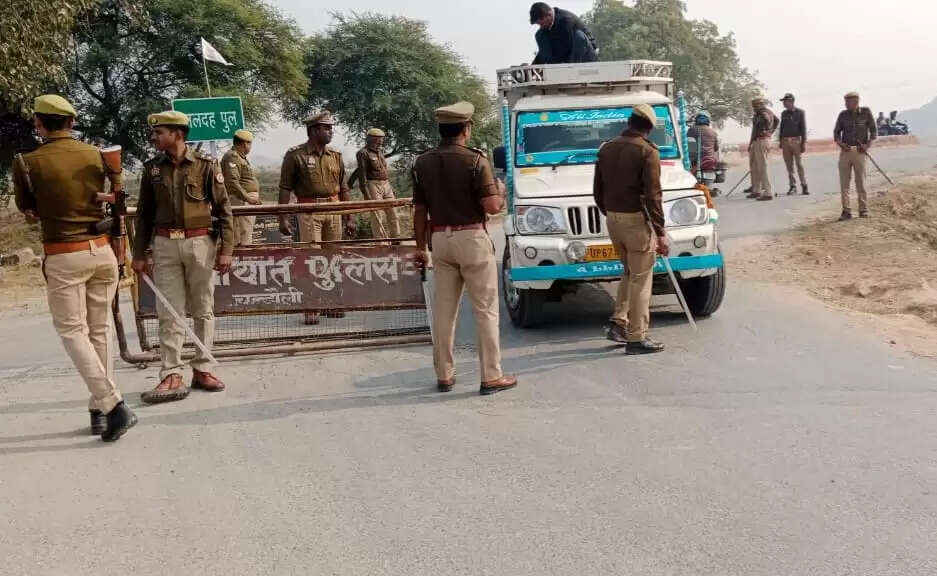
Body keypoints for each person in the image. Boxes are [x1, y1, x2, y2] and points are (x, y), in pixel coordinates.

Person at [12, 94, 136, 441]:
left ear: (38, 124)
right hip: (102, 250)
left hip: (64, 253)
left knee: (71, 331)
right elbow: (113, 195)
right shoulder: (97, 155)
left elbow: (28, 210)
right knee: (99, 330)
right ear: (71, 122)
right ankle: (100, 410)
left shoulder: (26, 163)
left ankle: (113, 405)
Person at [412, 101, 518, 396]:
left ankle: (444, 375)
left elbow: (419, 210)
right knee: (485, 309)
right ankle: (491, 376)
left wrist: (420, 247)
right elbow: (492, 206)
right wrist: (500, 191)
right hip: (471, 239)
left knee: (444, 311)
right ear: (466, 129)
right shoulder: (476, 161)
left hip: (439, 240)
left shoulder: (422, 163)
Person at [132, 110, 234, 404]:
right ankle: (171, 373)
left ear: (177, 134)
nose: (154, 137)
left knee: (203, 308)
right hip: (164, 245)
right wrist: (139, 253)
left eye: (159, 132)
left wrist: (227, 250)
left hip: (200, 243)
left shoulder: (206, 165)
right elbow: (144, 214)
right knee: (169, 311)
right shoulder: (152, 169)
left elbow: (224, 211)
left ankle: (203, 368)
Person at [593, 103, 669, 354]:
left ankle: (619, 323)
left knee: (629, 272)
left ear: (629, 122)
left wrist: (610, 212)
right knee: (641, 279)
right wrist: (660, 232)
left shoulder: (606, 148)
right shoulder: (647, 151)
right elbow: (653, 195)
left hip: (613, 219)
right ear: (649, 128)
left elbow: (597, 190)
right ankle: (637, 338)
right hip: (636, 221)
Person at [277, 111, 355, 324]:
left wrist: (349, 217)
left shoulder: (336, 156)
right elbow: (284, 188)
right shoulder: (295, 155)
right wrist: (282, 218)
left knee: (334, 257)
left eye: (331, 127)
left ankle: (333, 302)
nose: (331, 131)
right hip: (308, 211)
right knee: (311, 258)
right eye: (326, 128)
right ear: (313, 130)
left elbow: (344, 188)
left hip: (334, 209)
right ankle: (311, 305)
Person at [833, 92, 877, 220]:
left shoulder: (866, 112)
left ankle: (863, 210)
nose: (846, 104)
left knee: (861, 182)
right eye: (845, 102)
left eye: (848, 102)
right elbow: (836, 133)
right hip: (845, 152)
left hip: (860, 152)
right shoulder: (843, 115)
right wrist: (841, 144)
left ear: (856, 102)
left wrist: (867, 145)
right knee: (844, 183)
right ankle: (846, 211)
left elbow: (873, 131)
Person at [356, 128, 401, 240]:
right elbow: (362, 175)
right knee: (377, 215)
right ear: (373, 139)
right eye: (380, 139)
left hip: (386, 184)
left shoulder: (381, 151)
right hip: (373, 185)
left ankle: (396, 239)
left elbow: (384, 170)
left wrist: (390, 187)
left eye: (382, 139)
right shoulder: (363, 153)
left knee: (393, 213)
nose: (382, 141)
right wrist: (366, 194)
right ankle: (380, 241)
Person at [221, 129, 262, 246]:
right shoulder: (233, 157)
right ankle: (242, 256)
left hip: (245, 200)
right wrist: (248, 198)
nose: (250, 147)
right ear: (245, 144)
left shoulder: (240, 157)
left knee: (246, 233)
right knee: (242, 235)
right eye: (250, 143)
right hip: (241, 200)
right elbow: (232, 182)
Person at [529, 3, 597, 65]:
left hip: (584, 53)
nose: (541, 26)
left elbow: (565, 48)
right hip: (564, 56)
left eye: (542, 23)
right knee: (540, 35)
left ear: (549, 14)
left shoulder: (565, 20)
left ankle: (569, 68)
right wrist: (532, 66)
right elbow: (544, 52)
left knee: (579, 35)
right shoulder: (546, 28)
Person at [746, 98, 778, 201]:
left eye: (756, 106)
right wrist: (751, 143)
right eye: (754, 106)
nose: (754, 108)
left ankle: (768, 192)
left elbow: (767, 119)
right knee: (755, 167)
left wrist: (767, 131)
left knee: (762, 167)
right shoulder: (761, 113)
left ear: (761, 105)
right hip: (757, 141)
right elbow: (777, 120)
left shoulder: (763, 113)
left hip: (762, 140)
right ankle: (756, 190)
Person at [779, 93, 808, 195]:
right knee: (789, 166)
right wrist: (780, 141)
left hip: (796, 141)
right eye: (783, 102)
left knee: (799, 164)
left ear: (791, 101)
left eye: (785, 101)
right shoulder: (784, 113)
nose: (784, 103)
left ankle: (804, 185)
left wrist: (803, 143)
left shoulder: (800, 112)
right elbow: (782, 128)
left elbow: (803, 128)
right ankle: (792, 186)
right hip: (785, 141)